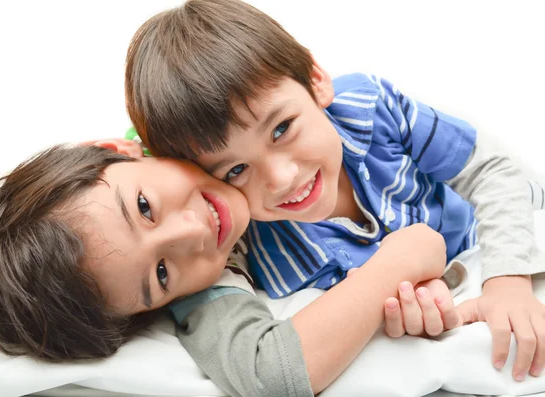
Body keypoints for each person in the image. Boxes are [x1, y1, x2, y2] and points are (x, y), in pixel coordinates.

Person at [124, 0, 545, 383]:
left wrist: (507, 280)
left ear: (315, 79)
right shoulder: (243, 240)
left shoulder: (368, 107)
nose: (282, 177)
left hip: (478, 238)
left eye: (282, 128)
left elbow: (490, 170)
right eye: (236, 170)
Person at [0, 143, 452, 396]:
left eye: (144, 207)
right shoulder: (209, 285)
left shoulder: (216, 109)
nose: (192, 232)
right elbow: (273, 372)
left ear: (122, 149)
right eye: (161, 275)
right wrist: (398, 266)